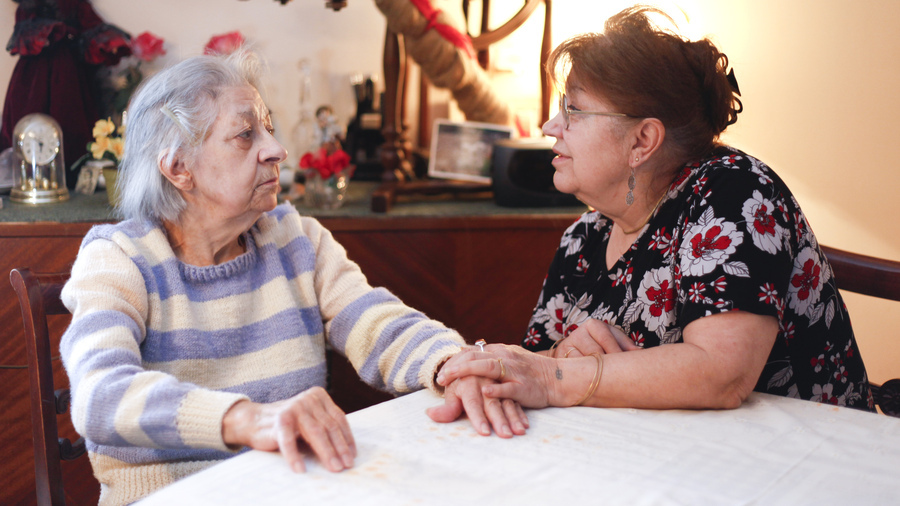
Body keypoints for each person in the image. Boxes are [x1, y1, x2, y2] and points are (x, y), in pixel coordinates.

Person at [59, 51, 525, 506]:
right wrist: (246, 420)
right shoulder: (119, 259)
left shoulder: (294, 237)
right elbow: (101, 395)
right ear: (179, 168)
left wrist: (453, 364)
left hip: (294, 488)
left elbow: (374, 321)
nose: (277, 150)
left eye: (269, 128)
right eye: (246, 134)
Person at [432, 6, 874, 415]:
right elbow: (540, 358)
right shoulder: (584, 237)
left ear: (642, 141)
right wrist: (563, 355)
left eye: (573, 110)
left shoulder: (735, 192)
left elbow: (722, 374)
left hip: (804, 460)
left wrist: (557, 378)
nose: (551, 127)